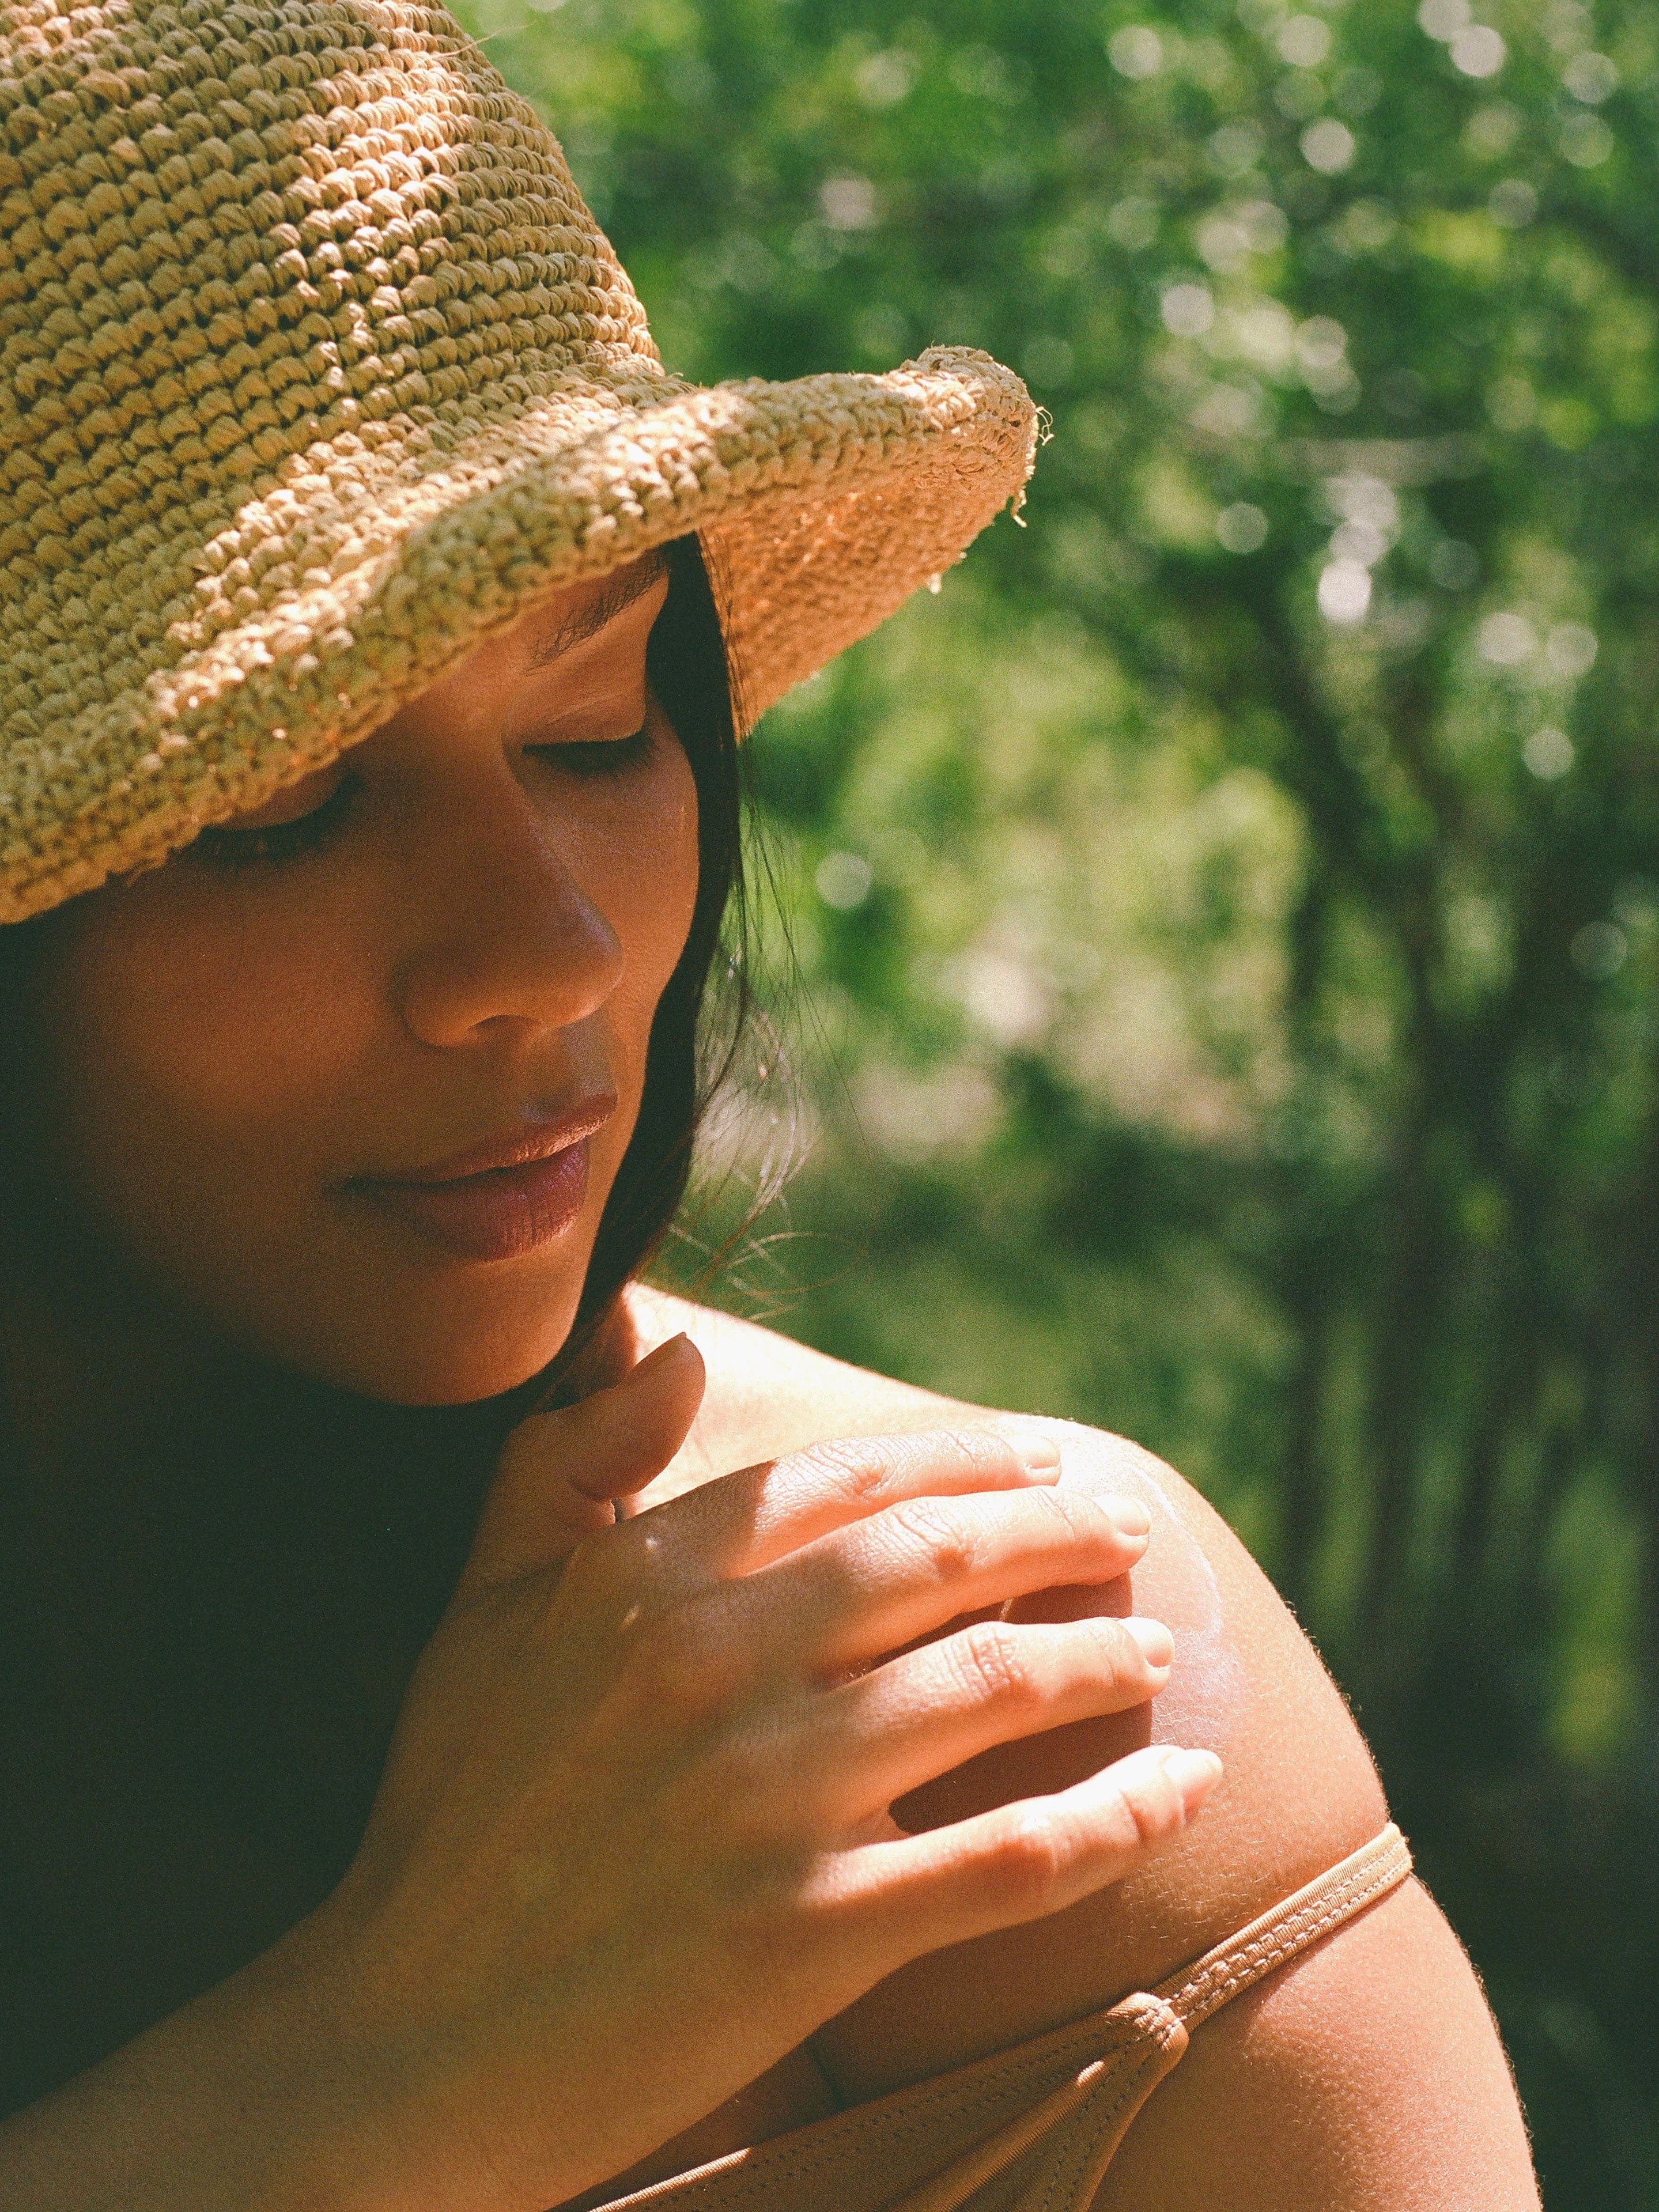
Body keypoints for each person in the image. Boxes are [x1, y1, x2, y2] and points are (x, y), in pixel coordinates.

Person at [0, 3, 1537, 2206]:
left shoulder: (1000, 1693)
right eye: (273, 813)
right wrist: (367, 2080)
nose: (548, 951)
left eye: (601, 727)